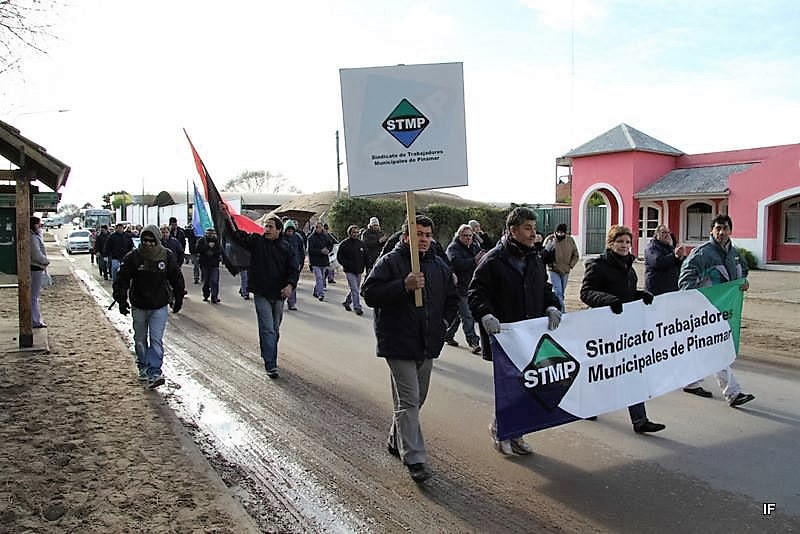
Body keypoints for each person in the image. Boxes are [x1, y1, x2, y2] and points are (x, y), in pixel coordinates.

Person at [361, 215, 459, 483]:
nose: (424, 239)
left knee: (417, 399)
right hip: (398, 342)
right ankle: (415, 459)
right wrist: (403, 286)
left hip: (427, 344)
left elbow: (452, 299)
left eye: (427, 235)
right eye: (418, 235)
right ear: (406, 237)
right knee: (409, 400)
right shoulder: (390, 262)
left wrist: (443, 324)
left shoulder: (439, 266)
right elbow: (369, 293)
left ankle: (396, 439)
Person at [468, 207, 563, 455]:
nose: (533, 234)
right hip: (505, 337)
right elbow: (476, 293)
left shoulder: (535, 258)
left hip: (530, 336)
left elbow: (543, 288)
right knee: (510, 388)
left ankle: (514, 432)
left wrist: (552, 305)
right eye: (527, 228)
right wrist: (485, 314)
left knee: (526, 388)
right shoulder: (493, 260)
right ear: (513, 230)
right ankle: (503, 431)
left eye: (534, 228)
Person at [579, 224, 665, 434]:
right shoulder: (597, 265)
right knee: (601, 372)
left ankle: (640, 420)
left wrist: (639, 295)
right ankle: (589, 406)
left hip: (625, 329)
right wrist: (608, 300)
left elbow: (626, 293)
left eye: (627, 242)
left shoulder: (629, 267)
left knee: (631, 370)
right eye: (620, 241)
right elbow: (586, 292)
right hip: (602, 329)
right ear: (611, 243)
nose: (624, 245)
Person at [678, 214, 755, 407]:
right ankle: (733, 393)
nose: (721, 232)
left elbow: (743, 272)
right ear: (711, 231)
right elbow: (685, 281)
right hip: (706, 310)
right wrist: (697, 301)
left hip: (726, 309)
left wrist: (743, 283)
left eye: (725, 228)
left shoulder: (734, 253)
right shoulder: (702, 253)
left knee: (703, 347)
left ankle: (690, 382)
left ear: (730, 231)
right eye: (718, 228)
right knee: (716, 348)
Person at [113, 224, 185, 389]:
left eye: (152, 241)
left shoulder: (167, 256)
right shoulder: (133, 257)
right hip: (139, 305)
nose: (148, 244)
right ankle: (143, 366)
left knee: (155, 340)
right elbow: (122, 279)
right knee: (140, 339)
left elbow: (176, 278)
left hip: (159, 305)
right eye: (145, 240)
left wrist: (178, 298)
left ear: (157, 240)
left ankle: (155, 372)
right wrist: (121, 300)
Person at [231, 215, 298, 379]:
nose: (267, 229)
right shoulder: (257, 242)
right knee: (267, 328)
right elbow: (237, 235)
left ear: (279, 230)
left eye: (270, 227)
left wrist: (290, 286)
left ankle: (269, 352)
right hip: (261, 292)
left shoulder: (287, 248)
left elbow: (293, 269)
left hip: (279, 294)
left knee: (274, 329)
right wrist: (227, 217)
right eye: (266, 226)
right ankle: (271, 364)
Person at [444, 224, 485, 353]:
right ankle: (473, 341)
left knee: (458, 315)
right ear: (459, 236)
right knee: (468, 315)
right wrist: (473, 260)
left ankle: (448, 335)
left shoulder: (474, 247)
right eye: (465, 235)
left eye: (470, 236)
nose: (468, 238)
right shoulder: (453, 248)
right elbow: (455, 263)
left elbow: (482, 259)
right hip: (458, 287)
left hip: (471, 286)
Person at [542, 223, 579, 311]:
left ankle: (557, 306)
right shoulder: (550, 239)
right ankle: (562, 311)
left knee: (561, 292)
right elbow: (543, 253)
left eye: (562, 232)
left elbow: (575, 254)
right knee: (558, 291)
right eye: (558, 232)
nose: (560, 234)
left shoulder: (570, 240)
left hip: (565, 270)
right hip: (553, 270)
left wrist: (571, 265)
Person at [644, 224, 686, 296]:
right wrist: (674, 256)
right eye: (663, 232)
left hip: (670, 289)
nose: (667, 235)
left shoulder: (669, 247)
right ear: (657, 234)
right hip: (656, 289)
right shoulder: (652, 247)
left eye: (668, 232)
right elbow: (657, 262)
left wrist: (680, 258)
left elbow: (676, 263)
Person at [336, 224, 367, 315]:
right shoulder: (344, 244)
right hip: (349, 271)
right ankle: (357, 307)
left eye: (357, 232)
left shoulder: (361, 244)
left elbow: (366, 256)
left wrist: (368, 266)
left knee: (355, 289)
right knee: (355, 289)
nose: (355, 234)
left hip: (359, 270)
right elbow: (339, 257)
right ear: (349, 233)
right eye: (353, 232)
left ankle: (347, 302)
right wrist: (346, 265)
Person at [29, 217, 50, 329]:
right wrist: (46, 261)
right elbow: (36, 255)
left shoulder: (34, 236)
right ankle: (35, 320)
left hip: (36, 267)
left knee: (34, 296)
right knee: (34, 296)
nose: (40, 227)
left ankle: (35, 319)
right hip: (36, 267)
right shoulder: (32, 237)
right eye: (38, 224)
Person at [307, 222, 335, 301]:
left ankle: (316, 291)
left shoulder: (326, 236)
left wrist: (328, 250)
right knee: (319, 277)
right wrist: (320, 251)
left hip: (324, 261)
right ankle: (321, 294)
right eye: (317, 227)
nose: (318, 229)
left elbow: (331, 244)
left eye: (320, 227)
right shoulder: (311, 238)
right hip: (315, 261)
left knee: (321, 278)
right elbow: (310, 250)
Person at [282, 220, 305, 310]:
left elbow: (301, 252)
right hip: (283, 265)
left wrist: (300, 263)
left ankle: (291, 303)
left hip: (294, 265)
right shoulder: (281, 238)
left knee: (292, 284)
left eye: (291, 231)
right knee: (282, 284)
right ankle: (281, 301)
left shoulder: (298, 238)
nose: (290, 232)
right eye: (288, 230)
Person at [196, 227, 222, 303]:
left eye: (212, 233)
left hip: (214, 264)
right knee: (206, 281)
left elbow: (220, 250)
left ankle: (214, 297)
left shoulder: (217, 241)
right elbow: (197, 249)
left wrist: (213, 252)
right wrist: (207, 246)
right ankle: (206, 295)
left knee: (214, 281)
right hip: (205, 264)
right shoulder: (202, 240)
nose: (210, 235)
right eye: (209, 233)